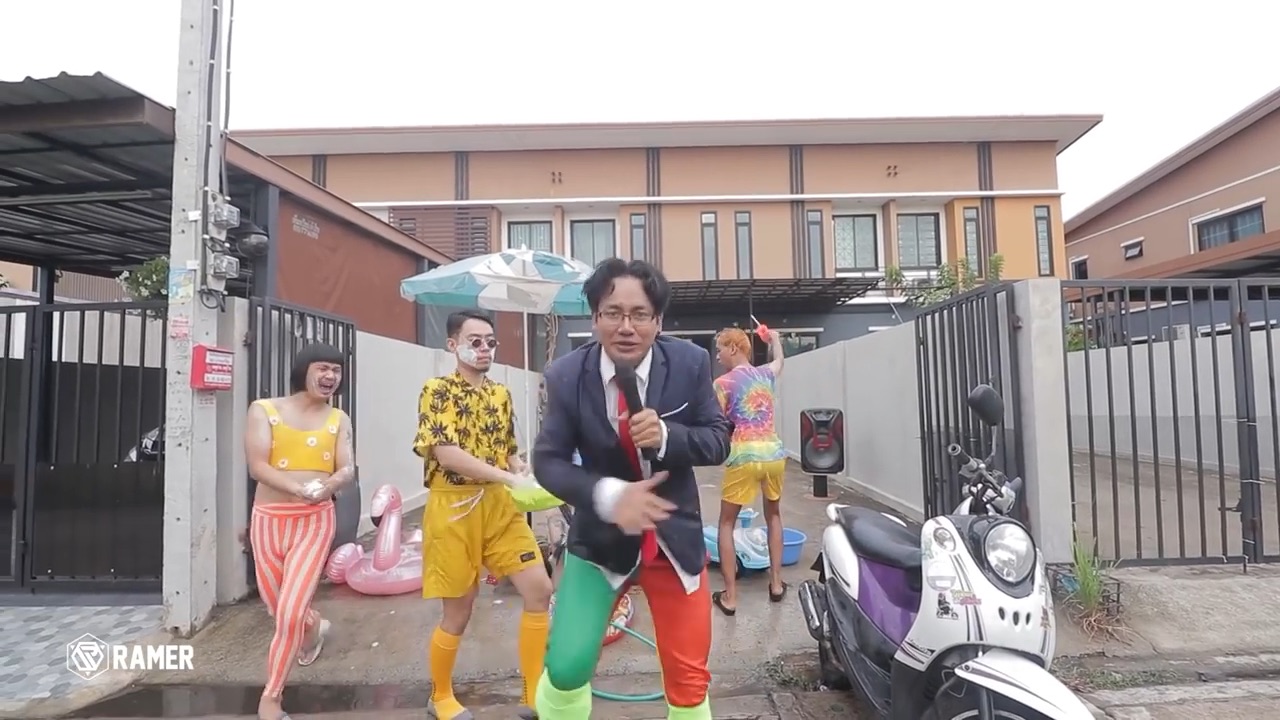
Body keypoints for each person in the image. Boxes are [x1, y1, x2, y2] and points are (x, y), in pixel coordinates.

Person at [533, 258, 732, 720]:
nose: (626, 327)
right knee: (566, 666)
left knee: (689, 680)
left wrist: (667, 437)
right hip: (600, 540)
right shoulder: (566, 376)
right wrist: (609, 496)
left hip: (672, 540)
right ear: (595, 317)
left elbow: (718, 439)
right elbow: (548, 461)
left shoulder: (689, 363)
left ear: (658, 320)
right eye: (613, 313)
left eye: (640, 314)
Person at [414, 310, 553, 720]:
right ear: (452, 345)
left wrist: (521, 471)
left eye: (490, 341)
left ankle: (533, 695)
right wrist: (507, 478)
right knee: (459, 610)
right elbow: (446, 454)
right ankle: (440, 696)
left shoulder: (500, 394)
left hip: (498, 506)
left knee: (539, 589)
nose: (485, 348)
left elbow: (508, 451)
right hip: (453, 507)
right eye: (474, 341)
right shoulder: (437, 390)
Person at [244, 343, 356, 720]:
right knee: (279, 609)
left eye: (336, 370)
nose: (330, 376)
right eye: (323, 368)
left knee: (290, 612)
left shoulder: (338, 418)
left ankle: (271, 697)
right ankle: (314, 625)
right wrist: (297, 488)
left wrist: (329, 485)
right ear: (303, 369)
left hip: (315, 521)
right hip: (268, 520)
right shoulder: (264, 410)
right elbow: (258, 466)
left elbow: (346, 468)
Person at [710, 327, 789, 616]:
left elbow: (717, 424)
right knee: (774, 516)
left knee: (726, 524)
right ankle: (776, 584)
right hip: (774, 454)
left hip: (744, 455)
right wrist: (775, 339)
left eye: (720, 349)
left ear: (733, 348)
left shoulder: (722, 383)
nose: (717, 356)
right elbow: (779, 362)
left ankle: (730, 598)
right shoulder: (765, 374)